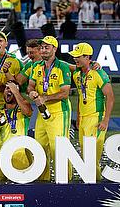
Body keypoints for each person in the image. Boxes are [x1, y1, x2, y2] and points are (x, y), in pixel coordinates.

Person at [27, 36, 72, 181]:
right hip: (42, 112)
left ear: (54, 49)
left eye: (47, 47)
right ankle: (43, 179)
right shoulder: (36, 66)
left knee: (58, 148)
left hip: (59, 111)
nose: (43, 50)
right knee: (40, 147)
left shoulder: (62, 67)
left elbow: (65, 93)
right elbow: (30, 85)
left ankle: (65, 179)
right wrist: (32, 91)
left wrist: (45, 98)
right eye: (42, 47)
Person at [69, 42, 114, 180]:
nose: (75, 59)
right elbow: (81, 96)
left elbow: (110, 97)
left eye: (78, 56)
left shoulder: (98, 73)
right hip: (83, 120)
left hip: (96, 119)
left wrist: (105, 120)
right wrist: (78, 117)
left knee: (92, 157)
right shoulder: (77, 74)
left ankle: (95, 187)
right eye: (74, 56)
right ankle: (89, 184)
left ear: (87, 57)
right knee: (85, 155)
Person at [0, 81, 32, 181]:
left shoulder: (23, 109)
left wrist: (16, 91)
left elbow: (28, 111)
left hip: (19, 153)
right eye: (7, 88)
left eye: (12, 89)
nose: (10, 90)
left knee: (21, 188)